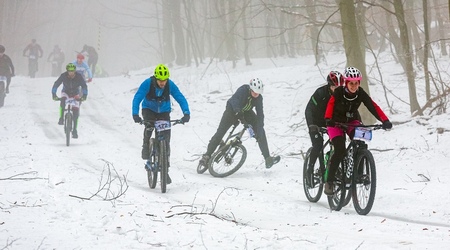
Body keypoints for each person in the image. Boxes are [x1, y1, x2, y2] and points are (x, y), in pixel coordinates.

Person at [323, 66, 392, 196]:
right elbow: (330, 105)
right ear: (346, 83)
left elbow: (373, 106)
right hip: (335, 123)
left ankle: (358, 173)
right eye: (351, 83)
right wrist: (328, 119)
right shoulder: (338, 93)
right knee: (339, 149)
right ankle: (330, 181)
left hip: (351, 122)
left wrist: (385, 120)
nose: (354, 86)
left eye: (356, 83)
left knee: (361, 141)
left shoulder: (360, 93)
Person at [198, 78, 280, 169]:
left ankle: (268, 159)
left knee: (260, 130)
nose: (256, 95)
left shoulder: (259, 98)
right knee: (220, 132)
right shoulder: (243, 90)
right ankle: (207, 156)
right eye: (254, 92)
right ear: (251, 89)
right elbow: (235, 100)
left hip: (246, 112)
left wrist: (259, 129)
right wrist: (238, 112)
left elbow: (260, 114)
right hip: (232, 110)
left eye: (258, 93)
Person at [132, 64, 190, 184]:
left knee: (166, 140)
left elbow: (180, 97)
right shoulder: (147, 83)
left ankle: (165, 170)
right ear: (156, 78)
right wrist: (135, 114)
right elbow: (138, 97)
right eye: (160, 81)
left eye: (164, 80)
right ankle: (146, 146)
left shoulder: (170, 84)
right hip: (149, 109)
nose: (162, 83)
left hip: (164, 111)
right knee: (149, 127)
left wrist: (186, 113)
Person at [304, 71, 344, 183]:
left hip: (331, 122)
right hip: (316, 122)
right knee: (318, 145)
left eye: (340, 87)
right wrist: (311, 125)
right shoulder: (320, 93)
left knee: (339, 144)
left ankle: (333, 166)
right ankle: (310, 170)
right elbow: (309, 110)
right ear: (329, 85)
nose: (337, 89)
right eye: (334, 87)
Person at [51, 63, 88, 139]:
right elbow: (56, 84)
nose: (71, 73)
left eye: (72, 71)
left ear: (75, 71)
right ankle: (61, 118)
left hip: (75, 94)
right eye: (69, 71)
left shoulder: (79, 76)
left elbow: (84, 86)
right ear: (67, 71)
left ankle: (74, 130)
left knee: (75, 113)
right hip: (66, 92)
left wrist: (84, 96)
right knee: (63, 100)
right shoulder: (63, 76)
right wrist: (54, 94)